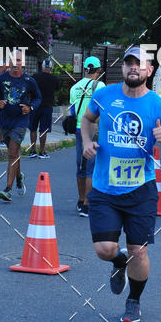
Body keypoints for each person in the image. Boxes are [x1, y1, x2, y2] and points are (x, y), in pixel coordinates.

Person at [81, 46, 161, 322]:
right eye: (129, 63)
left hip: (141, 190)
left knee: (139, 250)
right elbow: (87, 120)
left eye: (140, 64)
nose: (133, 68)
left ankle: (134, 300)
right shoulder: (104, 96)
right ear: (123, 68)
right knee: (104, 249)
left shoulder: (158, 105)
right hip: (105, 188)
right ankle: (117, 261)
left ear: (149, 70)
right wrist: (88, 142)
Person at [0, 50, 41, 202]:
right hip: (5, 121)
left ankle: (8, 189)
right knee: (14, 154)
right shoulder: (1, 79)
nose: (15, 63)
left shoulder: (28, 80)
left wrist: (30, 107)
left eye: (18, 60)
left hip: (21, 121)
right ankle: (19, 177)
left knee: (12, 152)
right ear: (8, 63)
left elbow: (38, 98)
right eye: (13, 60)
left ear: (22, 62)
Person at [70, 57, 106, 217]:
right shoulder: (100, 86)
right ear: (98, 70)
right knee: (92, 167)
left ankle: (80, 200)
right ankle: (87, 205)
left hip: (79, 129)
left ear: (85, 69)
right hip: (94, 129)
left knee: (81, 166)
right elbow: (104, 110)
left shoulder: (74, 87)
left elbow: (72, 111)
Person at [28, 59, 58, 158]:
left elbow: (29, 89)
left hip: (35, 105)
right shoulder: (54, 79)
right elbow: (56, 89)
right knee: (43, 129)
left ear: (42, 67)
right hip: (47, 106)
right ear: (51, 68)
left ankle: (32, 151)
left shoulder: (34, 77)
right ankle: (42, 151)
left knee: (33, 128)